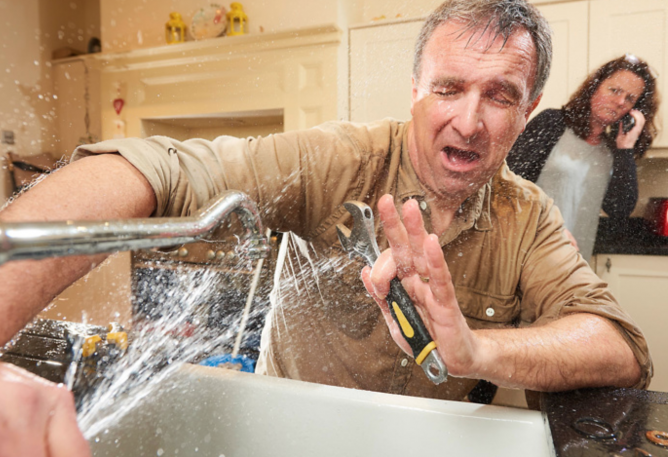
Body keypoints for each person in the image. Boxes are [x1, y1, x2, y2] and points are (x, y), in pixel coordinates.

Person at [0, 0, 652, 455]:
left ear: (529, 108)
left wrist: (475, 351)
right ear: (415, 90)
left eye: (500, 95)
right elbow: (156, 168)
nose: (470, 121)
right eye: (449, 88)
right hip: (287, 436)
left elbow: (619, 346)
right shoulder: (340, 160)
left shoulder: (526, 217)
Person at [507, 55, 660, 260]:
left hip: (576, 260)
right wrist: (548, 228)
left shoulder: (613, 150)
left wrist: (625, 148)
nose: (620, 102)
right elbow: (508, 185)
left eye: (630, 99)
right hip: (526, 253)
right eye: (615, 91)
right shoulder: (552, 123)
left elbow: (619, 209)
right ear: (594, 87)